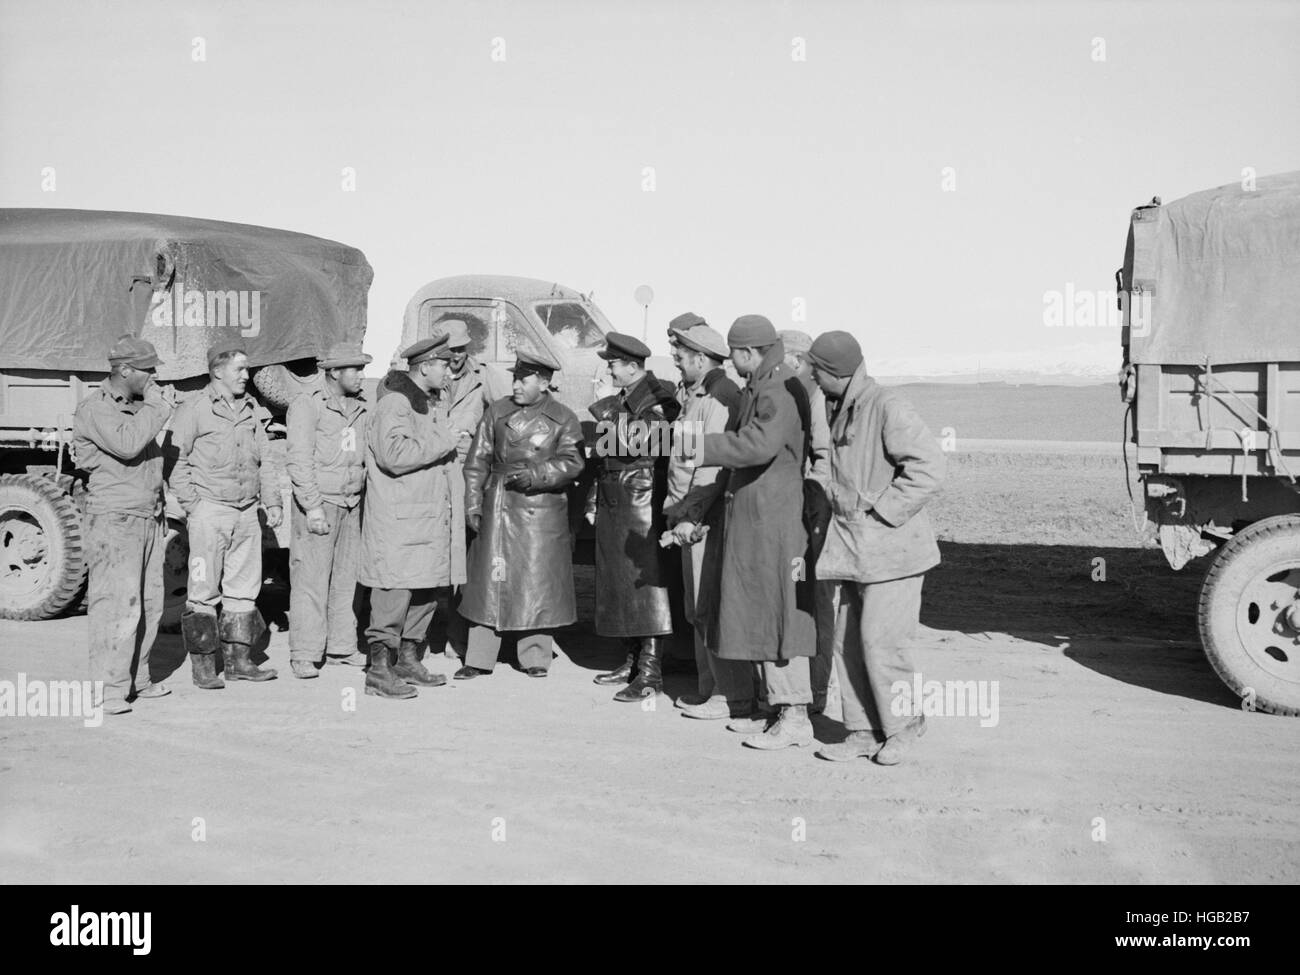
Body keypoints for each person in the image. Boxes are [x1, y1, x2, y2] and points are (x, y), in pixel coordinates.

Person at [806, 331, 946, 765]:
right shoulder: (838, 406)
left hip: (893, 551)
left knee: (884, 643)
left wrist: (881, 513)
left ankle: (903, 727)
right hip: (852, 549)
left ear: (834, 373)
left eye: (816, 370)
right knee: (848, 643)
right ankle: (862, 730)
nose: (811, 376)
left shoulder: (887, 406)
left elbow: (929, 468)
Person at [688, 315, 818, 749]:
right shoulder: (763, 384)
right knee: (756, 612)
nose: (733, 363)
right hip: (756, 516)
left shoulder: (776, 390)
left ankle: (794, 714)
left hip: (773, 522)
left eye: (735, 355)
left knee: (781, 615)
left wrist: (696, 447)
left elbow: (757, 446)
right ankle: (767, 708)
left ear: (747, 352)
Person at [455, 348, 585, 679]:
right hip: (498, 504)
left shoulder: (564, 418)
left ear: (543, 383)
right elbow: (476, 462)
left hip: (540, 510)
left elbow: (573, 462)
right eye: (514, 378)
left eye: (523, 379)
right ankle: (479, 657)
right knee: (489, 581)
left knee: (535, 582)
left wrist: (538, 475)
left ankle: (536, 657)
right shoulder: (496, 413)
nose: (515, 385)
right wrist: (472, 503)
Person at [72, 335, 175, 714]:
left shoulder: (138, 405)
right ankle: (107, 690)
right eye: (147, 370)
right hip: (115, 519)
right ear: (125, 370)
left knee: (149, 604)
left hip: (147, 515)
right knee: (116, 605)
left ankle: (137, 679)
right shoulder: (95, 409)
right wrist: (158, 405)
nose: (153, 376)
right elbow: (129, 444)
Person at [356, 334, 462, 699]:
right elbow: (394, 455)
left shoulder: (426, 404)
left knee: (424, 590)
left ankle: (408, 659)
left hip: (424, 520)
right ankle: (378, 671)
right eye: (444, 364)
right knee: (393, 592)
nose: (449, 370)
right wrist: (445, 440)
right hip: (400, 522)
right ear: (426, 366)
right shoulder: (395, 405)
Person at [170, 344, 282, 689]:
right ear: (218, 372)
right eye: (240, 370)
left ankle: (239, 662)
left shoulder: (251, 409)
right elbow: (175, 459)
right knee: (203, 590)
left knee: (244, 590)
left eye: (247, 369)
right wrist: (194, 506)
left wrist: (273, 502)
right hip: (210, 512)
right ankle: (203, 668)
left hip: (247, 512)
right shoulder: (194, 409)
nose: (247, 376)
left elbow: (264, 458)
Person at [660, 316, 754, 720]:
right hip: (688, 514)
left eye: (680, 357)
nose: (676, 363)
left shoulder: (717, 399)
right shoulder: (697, 395)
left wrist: (690, 516)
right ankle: (708, 686)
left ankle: (724, 695)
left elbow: (712, 469)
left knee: (709, 606)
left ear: (700, 358)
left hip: (702, 520)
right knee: (697, 607)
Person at [586, 332, 681, 702]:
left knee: (647, 587)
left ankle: (650, 672)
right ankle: (633, 660)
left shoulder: (657, 398)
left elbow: (655, 443)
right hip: (621, 495)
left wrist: (605, 420)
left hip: (641, 497)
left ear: (632, 366)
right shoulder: (629, 397)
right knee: (623, 584)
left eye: (613, 364)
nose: (608, 369)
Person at [284, 341, 371, 678]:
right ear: (334, 373)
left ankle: (341, 646)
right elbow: (299, 459)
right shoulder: (308, 406)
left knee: (348, 579)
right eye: (356, 369)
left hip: (352, 503)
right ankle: (304, 653)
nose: (362, 376)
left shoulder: (361, 407)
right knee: (311, 579)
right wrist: (313, 507)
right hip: (321, 504)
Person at [427, 318, 509, 662]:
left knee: (465, 559)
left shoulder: (485, 377)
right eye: (450, 350)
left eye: (461, 349)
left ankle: (456, 636)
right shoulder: (426, 375)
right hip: (430, 474)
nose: (457, 356)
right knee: (430, 556)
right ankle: (420, 634)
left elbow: (506, 414)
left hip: (467, 477)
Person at [779, 329, 835, 715]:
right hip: (804, 510)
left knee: (813, 600)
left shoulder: (813, 396)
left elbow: (821, 459)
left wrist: (807, 501)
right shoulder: (804, 394)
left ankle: (815, 690)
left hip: (813, 513)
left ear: (796, 361)